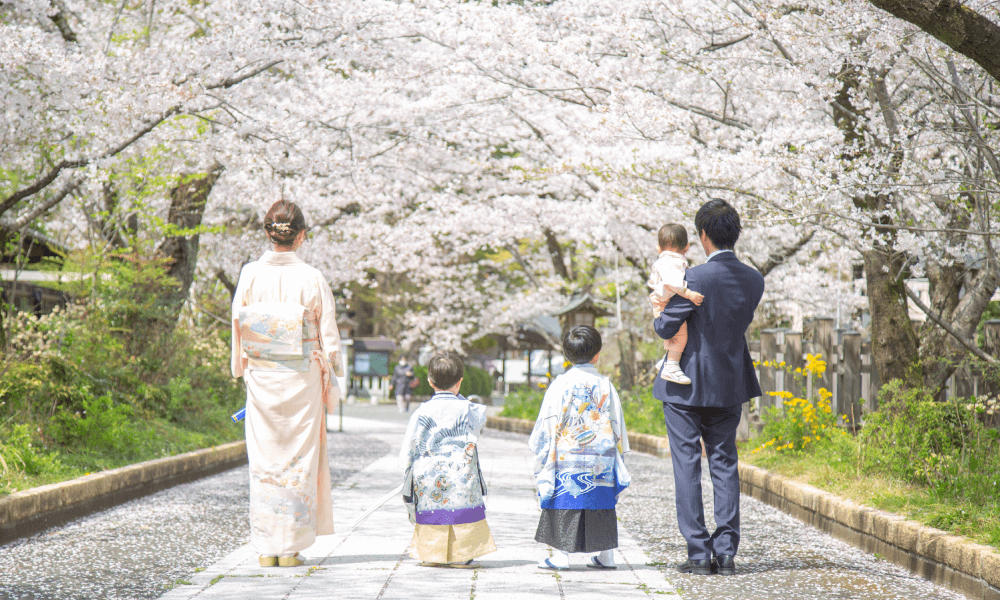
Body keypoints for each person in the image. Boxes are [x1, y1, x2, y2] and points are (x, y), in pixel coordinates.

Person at [653, 199, 764, 576]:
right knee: (724, 463)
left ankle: (698, 553)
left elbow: (668, 326)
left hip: (685, 384)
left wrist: (658, 317)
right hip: (730, 380)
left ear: (702, 236)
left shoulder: (695, 277)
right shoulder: (754, 279)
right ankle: (727, 551)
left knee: (686, 465)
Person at [230, 200, 342, 568]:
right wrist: (333, 368)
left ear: (268, 233)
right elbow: (329, 336)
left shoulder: (249, 274)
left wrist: (242, 366)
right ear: (302, 236)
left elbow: (237, 324)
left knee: (264, 460)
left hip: (262, 376)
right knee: (298, 460)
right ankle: (290, 547)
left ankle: (266, 548)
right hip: (301, 380)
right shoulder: (312, 277)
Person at [528, 325, 630, 571]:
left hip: (566, 456)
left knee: (565, 499)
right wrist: (622, 451)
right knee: (602, 502)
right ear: (597, 354)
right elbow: (617, 423)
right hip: (600, 457)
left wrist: (540, 451)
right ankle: (607, 556)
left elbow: (547, 421)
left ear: (566, 355)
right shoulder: (606, 385)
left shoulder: (560, 384)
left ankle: (561, 556)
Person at [400, 352, 496, 568]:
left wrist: (406, 468)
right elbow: (479, 424)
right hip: (461, 473)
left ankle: (430, 552)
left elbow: (409, 444)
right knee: (462, 509)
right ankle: (462, 554)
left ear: (430, 381)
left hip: (429, 474)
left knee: (432, 510)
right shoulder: (468, 409)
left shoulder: (421, 411)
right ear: (460, 381)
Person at [647, 223, 705, 385]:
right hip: (664, 302)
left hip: (662, 301)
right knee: (680, 335)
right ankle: (671, 366)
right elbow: (672, 281)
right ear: (686, 247)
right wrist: (689, 293)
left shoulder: (666, 260)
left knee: (677, 333)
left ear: (659, 248)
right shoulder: (671, 261)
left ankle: (668, 360)